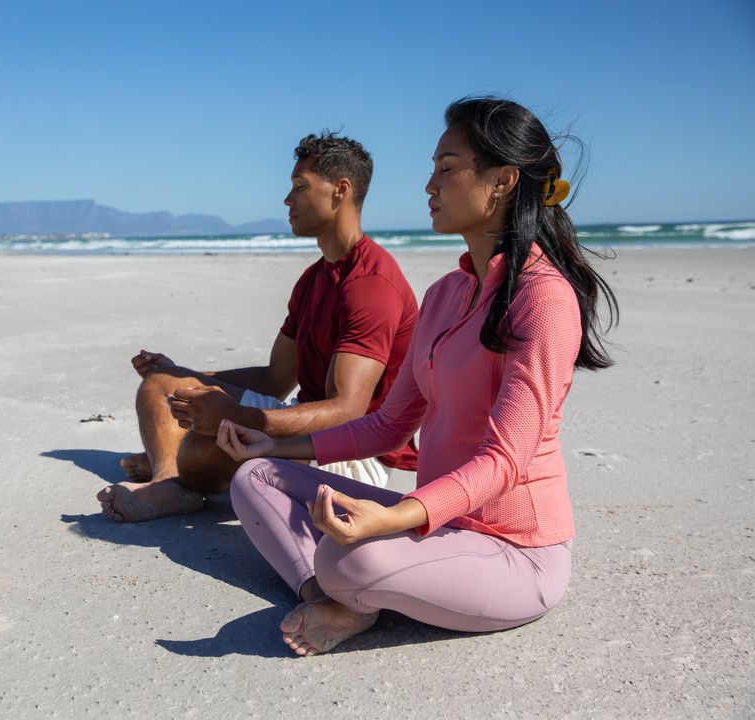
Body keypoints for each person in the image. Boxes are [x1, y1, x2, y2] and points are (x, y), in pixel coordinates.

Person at [218, 97, 619, 656]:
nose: (429, 185)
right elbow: (388, 425)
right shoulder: (444, 295)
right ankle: (330, 596)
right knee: (257, 476)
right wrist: (279, 445)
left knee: (347, 555)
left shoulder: (543, 298)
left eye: (446, 169)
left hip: (516, 551)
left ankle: (346, 585)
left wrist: (392, 519)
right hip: (441, 522)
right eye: (433, 169)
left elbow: (505, 461)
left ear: (503, 181)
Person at [96, 132, 419, 522]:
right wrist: (185, 374)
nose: (287, 199)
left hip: (353, 454)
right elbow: (276, 378)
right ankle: (169, 477)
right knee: (160, 384)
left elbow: (348, 411)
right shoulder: (314, 279)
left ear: (340, 190)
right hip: (306, 420)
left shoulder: (371, 284)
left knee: (200, 447)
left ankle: (172, 467)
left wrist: (236, 416)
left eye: (300, 187)